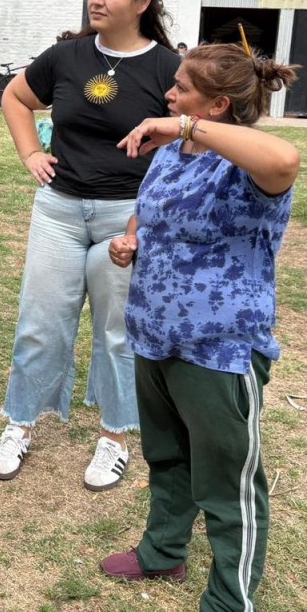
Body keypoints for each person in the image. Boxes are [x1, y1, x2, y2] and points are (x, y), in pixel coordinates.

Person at [102, 44, 299, 611]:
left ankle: (230, 599)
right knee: (167, 457)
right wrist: (131, 239)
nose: (169, 94)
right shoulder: (173, 150)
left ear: (216, 105)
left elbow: (285, 161)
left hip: (219, 350)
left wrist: (184, 124)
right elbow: (150, 208)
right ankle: (164, 551)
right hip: (155, 335)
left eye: (182, 88)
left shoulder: (247, 165)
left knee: (227, 483)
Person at [0, 0, 181, 491]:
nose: (97, 0)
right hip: (60, 210)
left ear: (142, 2)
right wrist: (30, 153)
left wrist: (150, 216)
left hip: (127, 217)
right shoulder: (67, 56)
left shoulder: (168, 70)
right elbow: (15, 96)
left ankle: (115, 437)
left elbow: (190, 136)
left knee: (118, 332)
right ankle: (20, 424)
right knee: (40, 321)